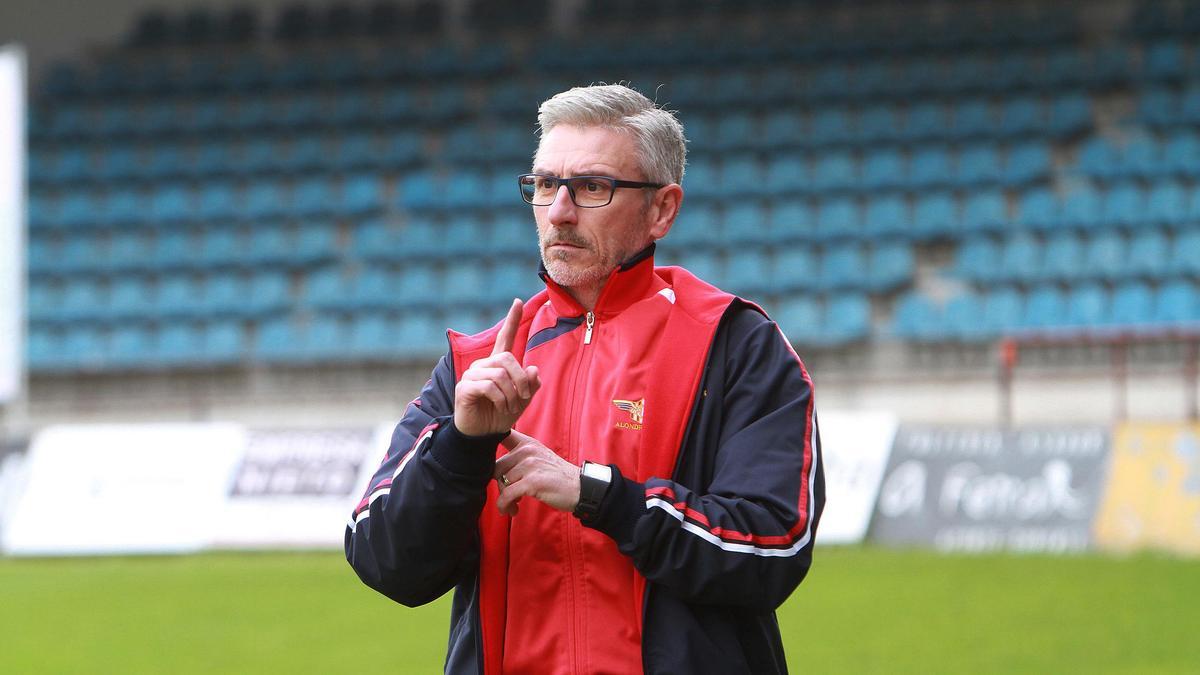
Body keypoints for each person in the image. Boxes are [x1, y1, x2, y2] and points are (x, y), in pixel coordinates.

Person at [345, 84, 824, 674]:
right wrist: (461, 447)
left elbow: (771, 548)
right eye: (545, 186)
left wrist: (602, 497)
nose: (559, 212)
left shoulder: (736, 345)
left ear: (662, 210)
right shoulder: (478, 365)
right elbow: (385, 562)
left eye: (592, 187)